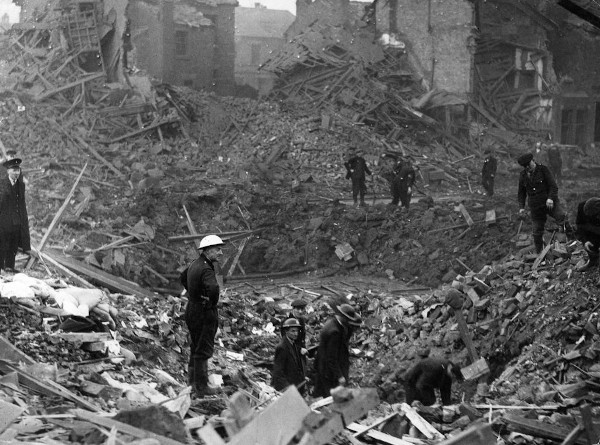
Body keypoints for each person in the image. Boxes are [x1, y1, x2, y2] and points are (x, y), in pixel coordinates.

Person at [180, 234, 224, 396]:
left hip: (192, 309)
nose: (220, 253)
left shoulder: (194, 264)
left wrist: (194, 293)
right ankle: (202, 387)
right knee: (203, 349)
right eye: (218, 249)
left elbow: (182, 277)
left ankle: (192, 384)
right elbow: (213, 289)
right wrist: (211, 302)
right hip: (204, 312)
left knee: (195, 346)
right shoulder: (206, 268)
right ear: (208, 250)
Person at [517, 152, 572, 254]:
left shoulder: (543, 170)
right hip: (535, 207)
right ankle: (539, 253)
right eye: (525, 167)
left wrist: (550, 198)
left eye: (529, 165)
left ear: (533, 161)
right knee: (537, 231)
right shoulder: (523, 175)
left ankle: (573, 242)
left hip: (550, 204)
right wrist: (521, 207)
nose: (528, 168)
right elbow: (521, 193)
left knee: (562, 217)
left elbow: (553, 186)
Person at [313, 303, 362, 398]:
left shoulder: (333, 322)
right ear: (343, 317)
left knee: (321, 393)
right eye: (348, 319)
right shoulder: (335, 332)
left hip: (323, 366)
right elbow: (331, 357)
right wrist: (339, 376)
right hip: (327, 370)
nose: (349, 322)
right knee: (329, 396)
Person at [0, 158, 31, 273]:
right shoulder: (2, 183)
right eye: (14, 170)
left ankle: (9, 267)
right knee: (2, 244)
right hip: (3, 221)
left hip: (16, 222)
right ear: (8, 171)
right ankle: (1, 267)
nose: (16, 173)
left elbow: (21, 204)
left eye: (18, 170)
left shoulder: (21, 185)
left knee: (13, 245)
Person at [271, 318, 307, 395]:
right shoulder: (282, 347)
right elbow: (278, 372)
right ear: (286, 331)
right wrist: (287, 388)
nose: (296, 333)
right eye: (293, 331)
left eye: (297, 331)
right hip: (287, 388)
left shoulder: (292, 343)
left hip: (295, 385)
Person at [575, 197, 600, 272]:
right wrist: (585, 241)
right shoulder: (581, 207)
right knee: (589, 243)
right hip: (592, 232)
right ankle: (593, 261)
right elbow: (579, 227)